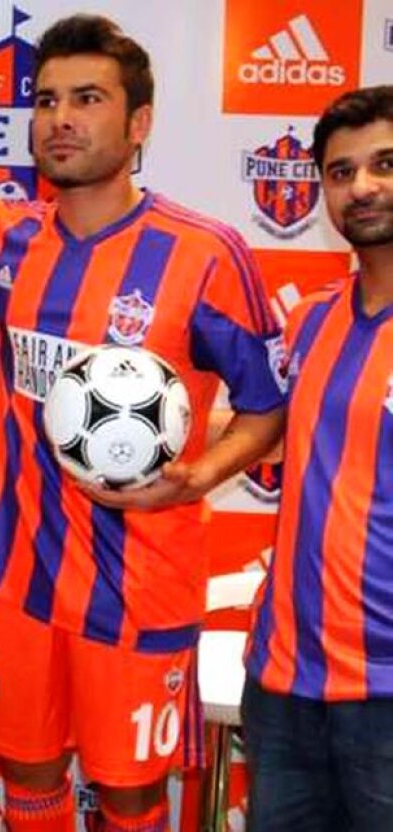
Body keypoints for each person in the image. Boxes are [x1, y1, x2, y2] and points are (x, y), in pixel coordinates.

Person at [0, 16, 286, 831]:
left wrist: (197, 476)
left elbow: (270, 406)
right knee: (27, 773)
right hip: (20, 573)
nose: (60, 119)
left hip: (139, 584)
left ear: (139, 123)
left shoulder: (203, 254)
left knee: (130, 793)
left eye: (88, 99)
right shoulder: (1, 237)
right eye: (46, 100)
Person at [243, 85, 393, 832]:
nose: (362, 186)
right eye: (341, 172)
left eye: (385, 164)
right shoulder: (308, 320)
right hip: (285, 682)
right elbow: (265, 430)